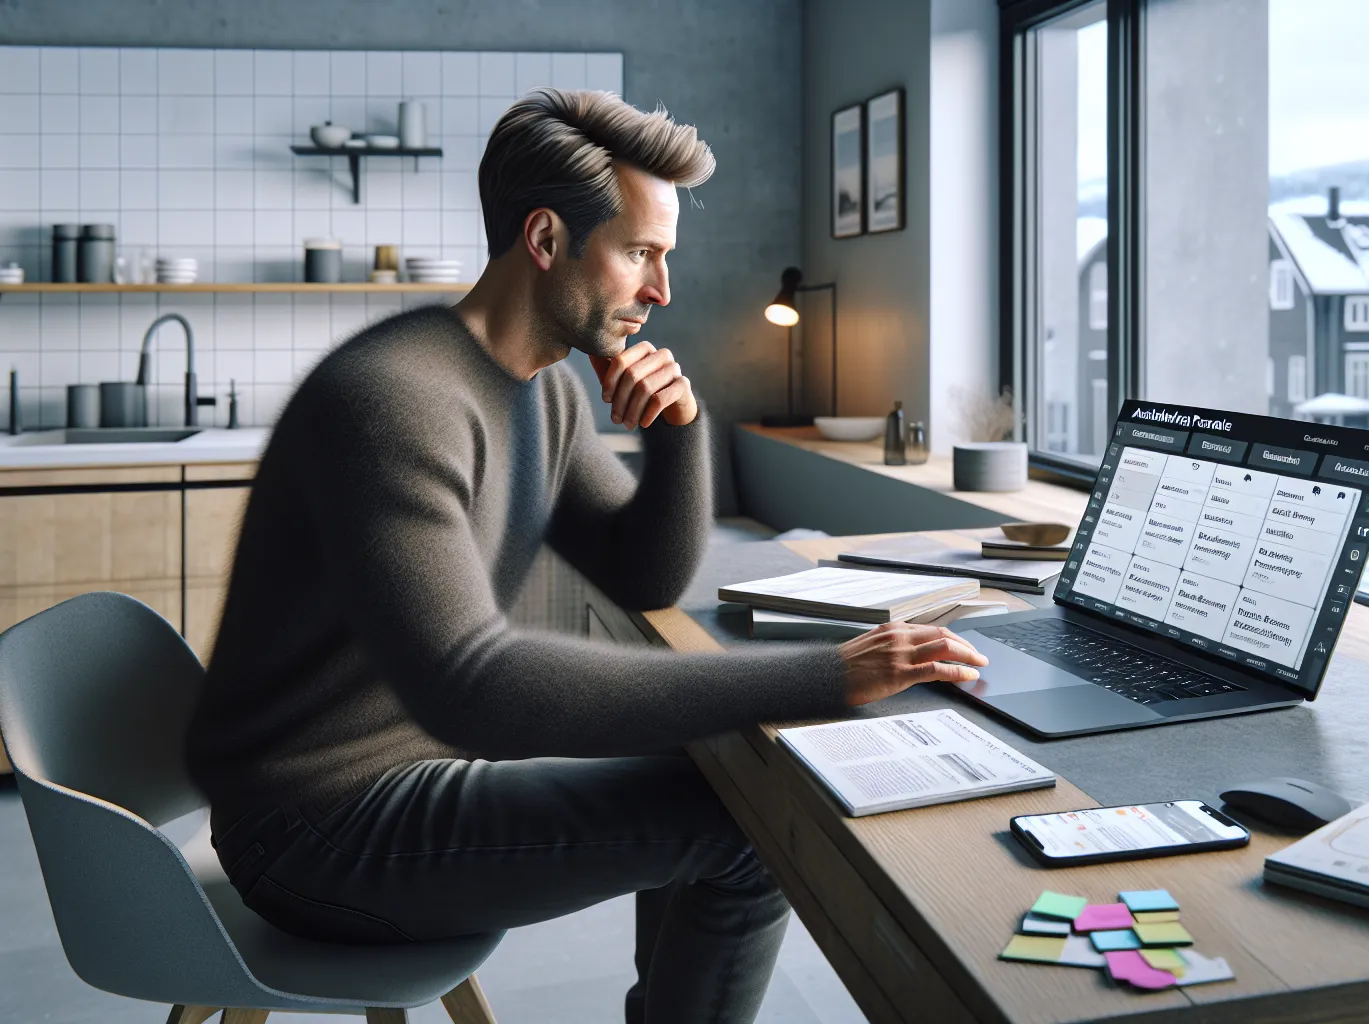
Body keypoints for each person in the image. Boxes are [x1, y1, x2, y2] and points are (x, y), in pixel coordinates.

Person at [184, 89, 987, 1024]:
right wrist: (826, 677)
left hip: (405, 780)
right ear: (545, 239)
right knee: (749, 828)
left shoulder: (542, 390)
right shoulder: (396, 397)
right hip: (317, 832)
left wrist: (683, 429)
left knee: (724, 789)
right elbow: (471, 683)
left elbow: (641, 572)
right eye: (642, 254)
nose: (662, 291)